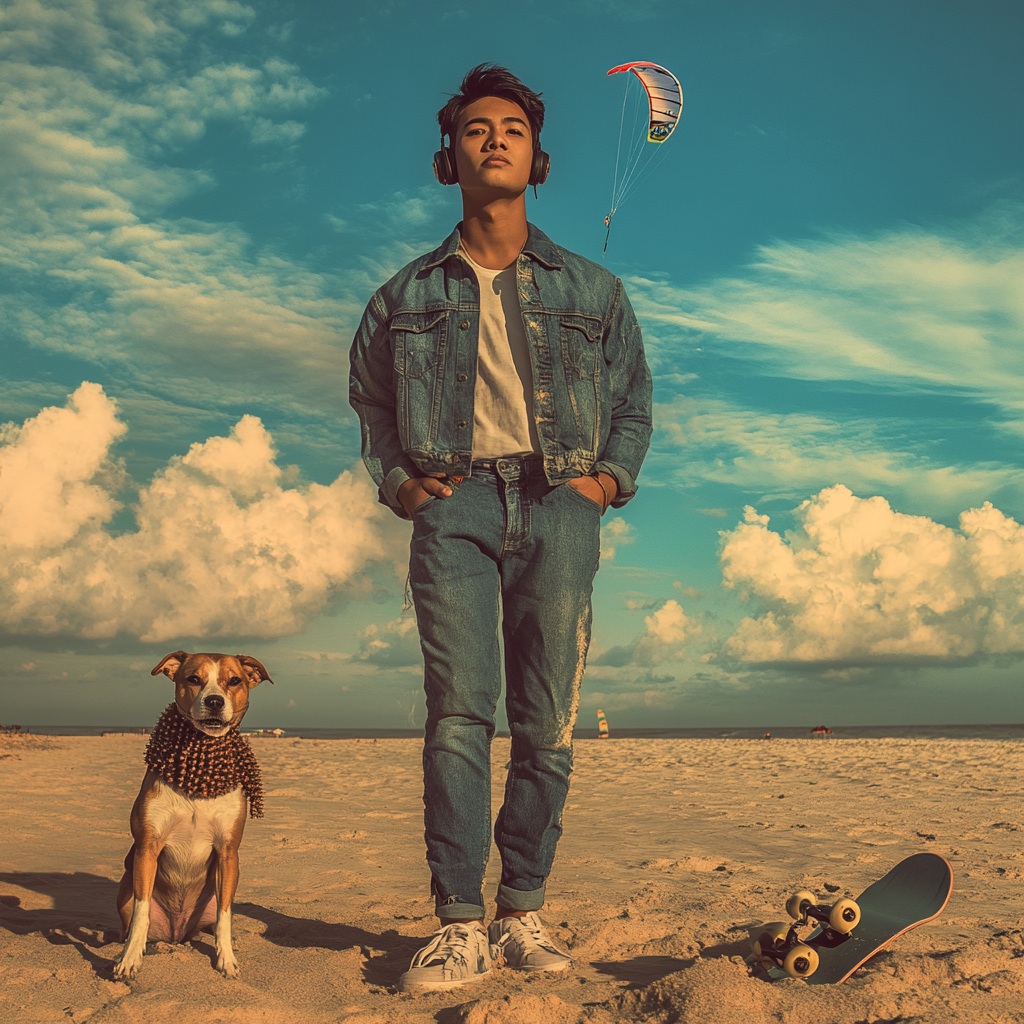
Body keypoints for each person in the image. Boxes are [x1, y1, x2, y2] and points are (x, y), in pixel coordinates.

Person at [349, 64, 652, 993]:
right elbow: (371, 402)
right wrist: (403, 486)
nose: (495, 139)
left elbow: (634, 400)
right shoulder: (404, 295)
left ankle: (523, 909)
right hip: (456, 506)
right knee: (458, 714)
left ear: (539, 157)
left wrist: (605, 481)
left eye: (512, 129)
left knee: (546, 720)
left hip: (561, 502)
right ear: (449, 159)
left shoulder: (594, 289)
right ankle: (458, 922)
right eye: (476, 129)